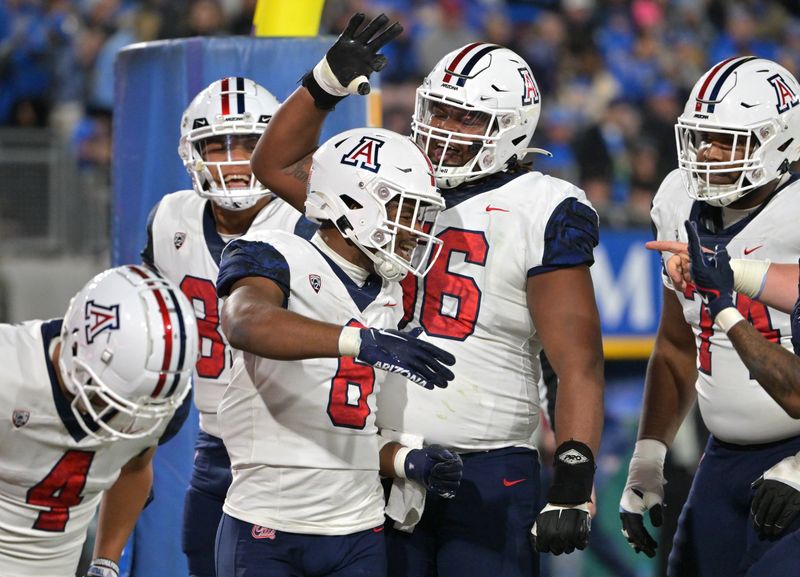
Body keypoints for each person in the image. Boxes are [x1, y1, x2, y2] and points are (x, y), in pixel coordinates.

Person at [250, 13, 605, 576]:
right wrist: (323, 85)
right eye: (437, 110)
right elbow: (274, 164)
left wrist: (574, 476)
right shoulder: (392, 177)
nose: (443, 128)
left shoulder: (543, 206)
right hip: (382, 460)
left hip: (488, 467)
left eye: (465, 117)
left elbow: (577, 360)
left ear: (512, 128)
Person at [214, 126, 461, 577]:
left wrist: (405, 461)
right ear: (354, 201)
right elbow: (243, 322)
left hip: (359, 529)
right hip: (269, 525)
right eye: (404, 209)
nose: (414, 228)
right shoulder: (276, 252)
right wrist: (358, 342)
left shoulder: (391, 295)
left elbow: (349, 425)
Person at [619, 56, 800, 577]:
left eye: (729, 140)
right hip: (723, 461)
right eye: (703, 137)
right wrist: (648, 458)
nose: (708, 154)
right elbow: (676, 344)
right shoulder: (677, 197)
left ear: (778, 141)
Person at [140, 76, 316, 577]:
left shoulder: (305, 221)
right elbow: (157, 337)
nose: (234, 159)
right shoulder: (169, 220)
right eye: (217, 145)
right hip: (214, 441)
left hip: (296, 439)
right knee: (201, 560)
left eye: (249, 145)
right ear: (191, 154)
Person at [0, 265, 199, 577]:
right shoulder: (9, 369)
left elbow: (134, 467)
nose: (125, 417)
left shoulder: (154, 403)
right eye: (107, 396)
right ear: (76, 347)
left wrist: (105, 562)